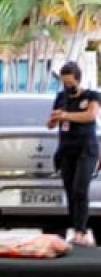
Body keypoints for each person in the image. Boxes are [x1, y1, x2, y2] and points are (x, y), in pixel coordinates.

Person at [49, 61, 100, 246]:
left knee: (80, 188)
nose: (67, 87)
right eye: (64, 83)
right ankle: (75, 227)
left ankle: (82, 229)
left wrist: (65, 115)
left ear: (78, 80)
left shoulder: (91, 96)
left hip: (86, 148)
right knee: (70, 190)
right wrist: (55, 118)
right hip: (66, 149)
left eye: (70, 83)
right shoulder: (61, 98)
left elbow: (89, 116)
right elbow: (51, 123)